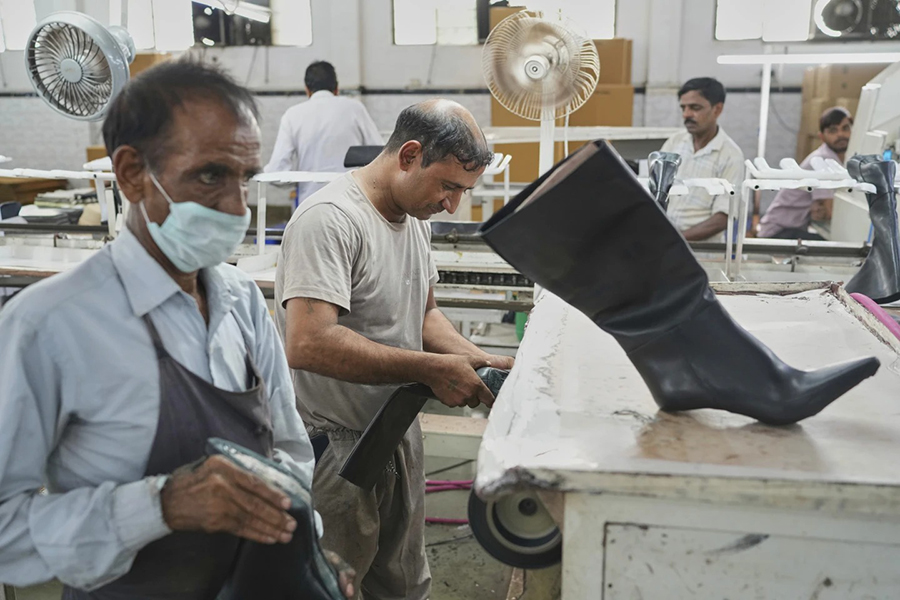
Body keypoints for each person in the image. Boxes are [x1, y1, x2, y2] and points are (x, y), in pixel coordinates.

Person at [0, 59, 353, 599]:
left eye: (245, 179)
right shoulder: (51, 324)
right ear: (132, 174)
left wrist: (301, 555)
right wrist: (159, 506)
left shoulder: (240, 302)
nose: (236, 207)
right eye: (211, 175)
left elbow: (291, 454)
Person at [274, 99, 516, 600]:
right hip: (336, 451)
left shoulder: (415, 218)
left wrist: (477, 360)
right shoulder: (330, 220)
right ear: (408, 155)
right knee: (330, 585)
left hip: (395, 433)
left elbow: (423, 316)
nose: (452, 204)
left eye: (462, 191)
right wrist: (431, 370)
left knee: (402, 582)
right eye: (448, 187)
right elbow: (308, 343)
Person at [265, 61, 383, 206]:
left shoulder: (292, 115)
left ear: (307, 90)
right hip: (352, 202)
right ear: (336, 88)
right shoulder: (355, 109)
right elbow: (380, 156)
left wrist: (300, 179)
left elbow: (276, 172)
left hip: (310, 205)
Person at [660, 77, 745, 241]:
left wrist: (677, 240)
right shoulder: (675, 143)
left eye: (695, 108)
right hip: (664, 240)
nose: (686, 114)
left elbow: (723, 217)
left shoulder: (730, 155)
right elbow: (656, 192)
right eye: (683, 108)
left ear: (717, 109)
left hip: (702, 251)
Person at [758, 107, 853, 240]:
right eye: (833, 131)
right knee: (840, 247)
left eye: (845, 128)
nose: (840, 135)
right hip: (778, 232)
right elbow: (831, 212)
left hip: (793, 227)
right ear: (822, 137)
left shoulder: (843, 158)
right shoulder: (823, 160)